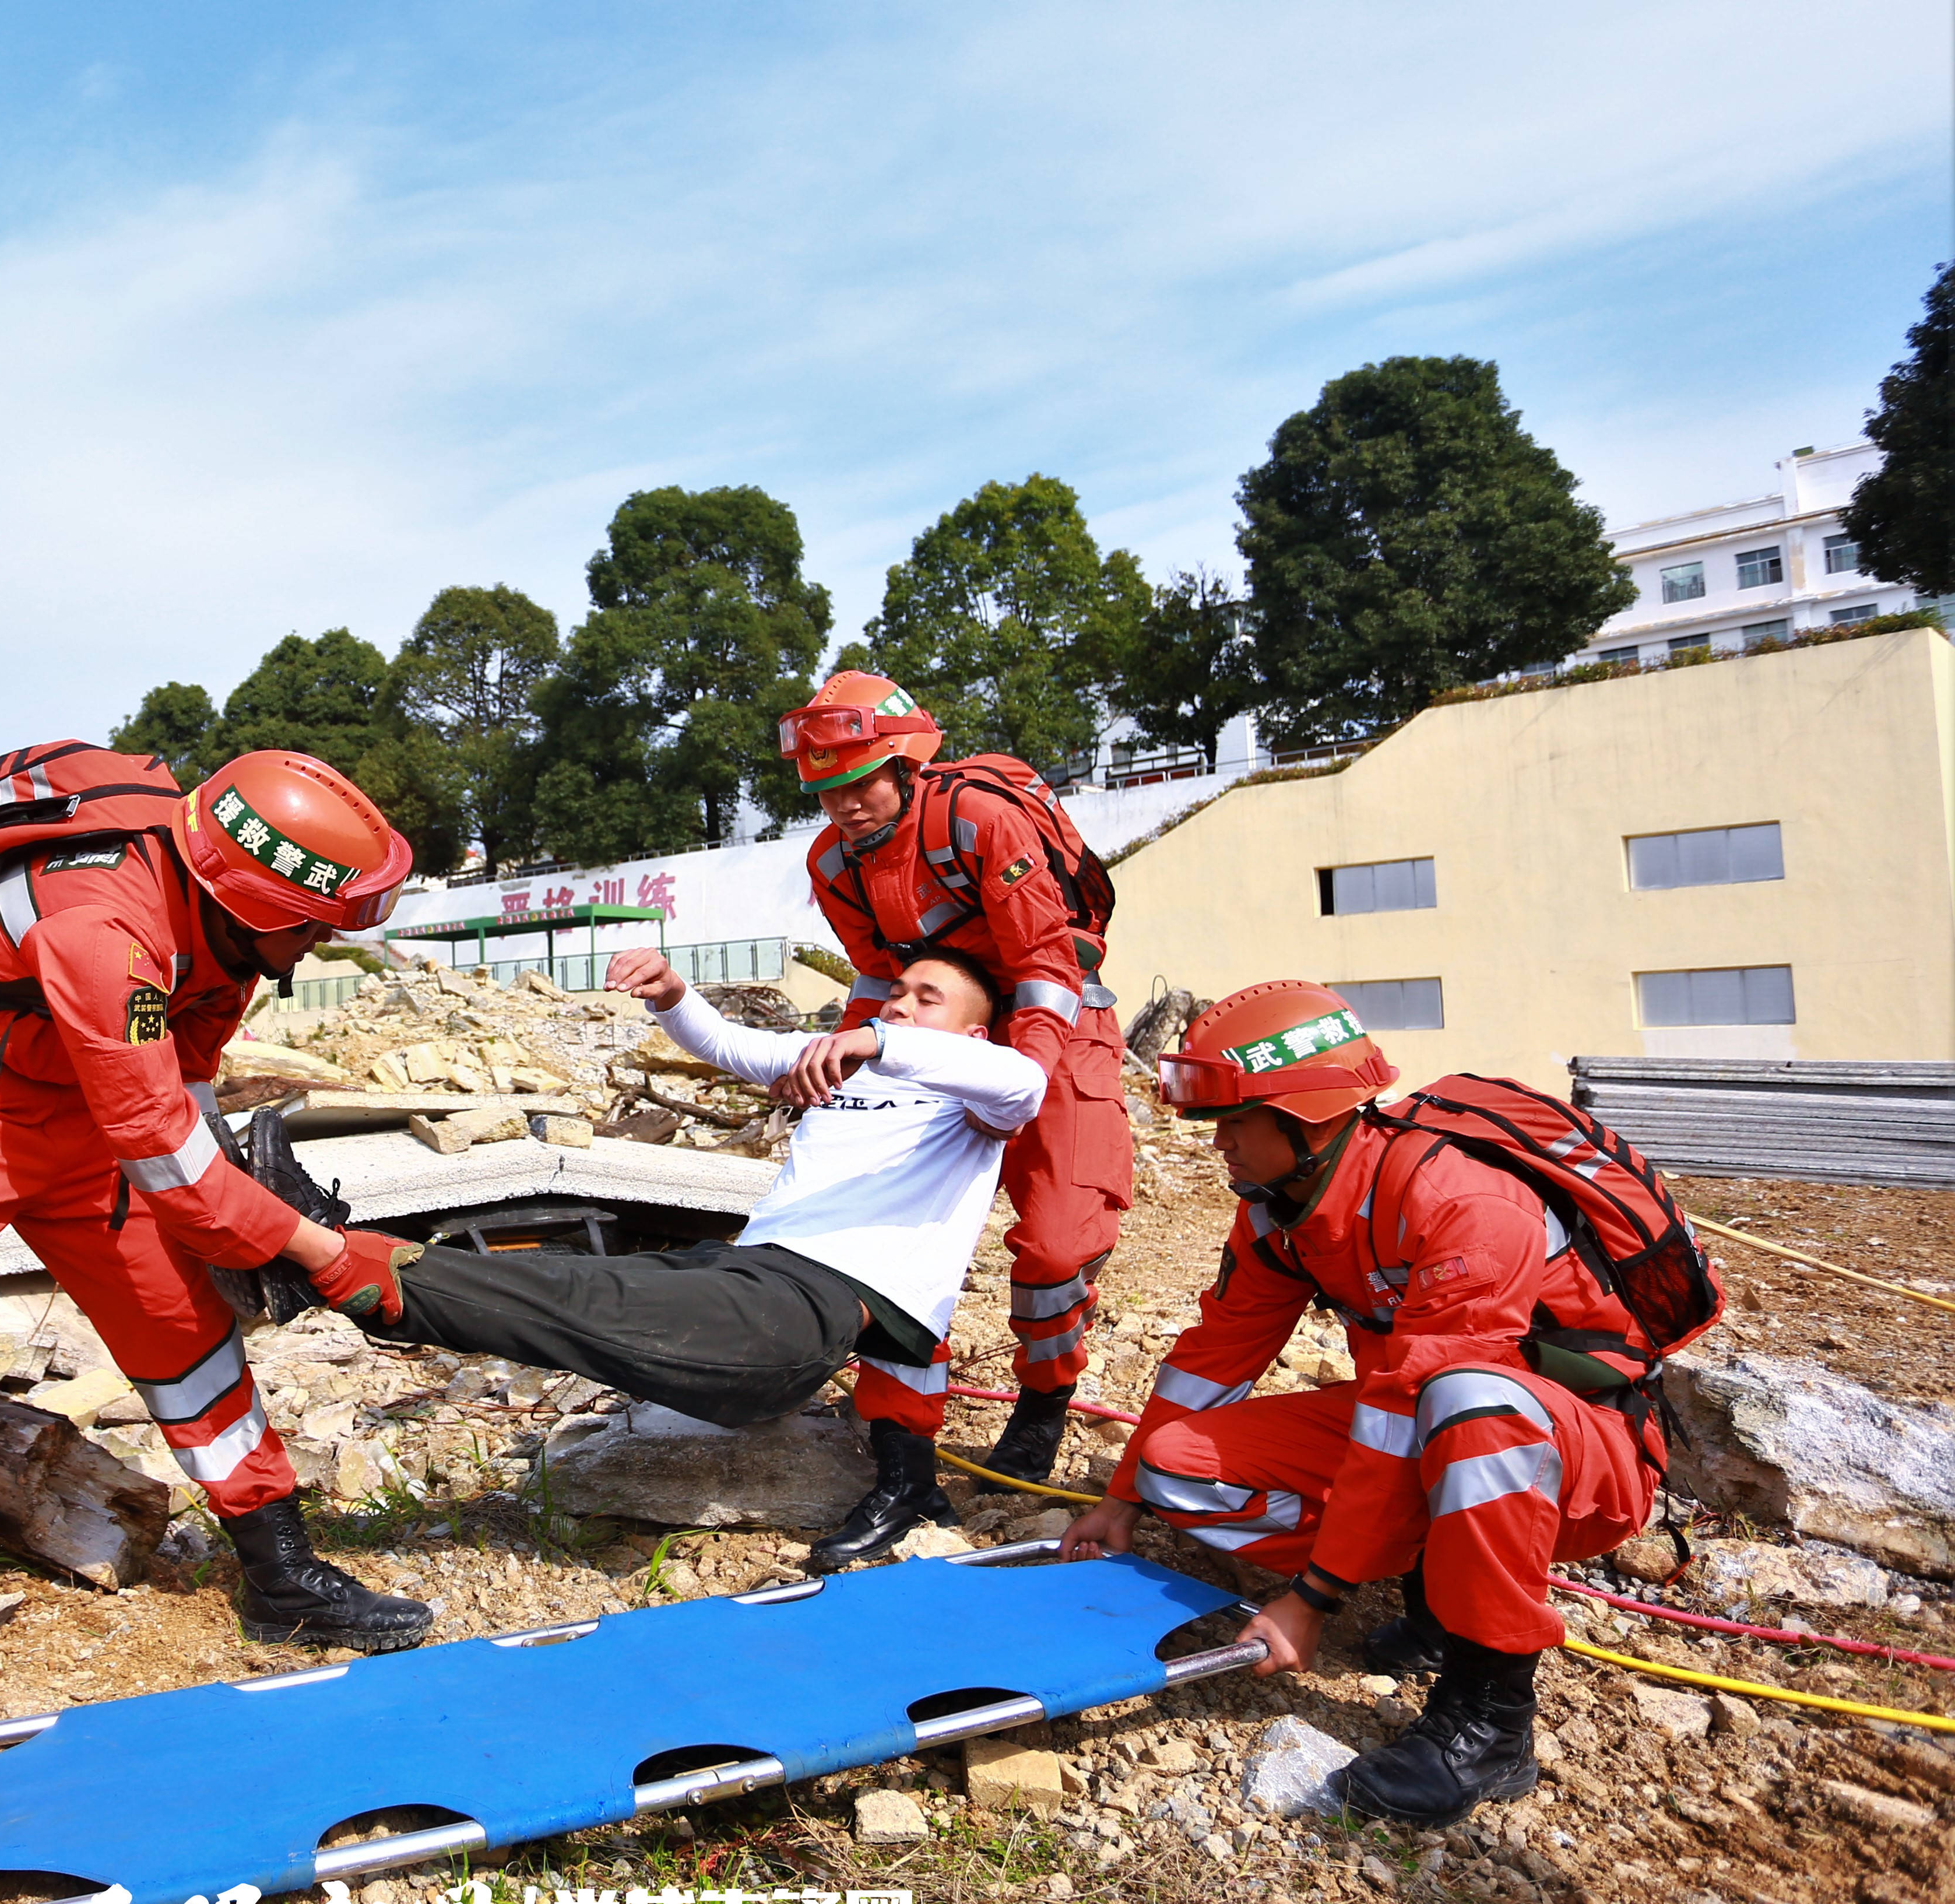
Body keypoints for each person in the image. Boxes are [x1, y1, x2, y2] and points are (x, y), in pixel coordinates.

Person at [0, 748, 433, 1653]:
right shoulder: (104, 926)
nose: (316, 948)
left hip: (84, 1115)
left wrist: (247, 1227)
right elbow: (169, 1165)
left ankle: (281, 1572)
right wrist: (321, 1251)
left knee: (184, 1327)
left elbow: (190, 1091)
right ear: (258, 902)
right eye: (314, 930)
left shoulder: (231, 930)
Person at [1055, 982, 1666, 1828]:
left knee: (1469, 1402)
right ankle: (1435, 1577)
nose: (1219, 1143)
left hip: (1578, 1452)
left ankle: (1491, 1717)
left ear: (1304, 1119)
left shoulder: (1464, 1202)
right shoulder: (1283, 1211)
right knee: (1177, 1466)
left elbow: (1414, 1404)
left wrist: (1311, 1597)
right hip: (1425, 1429)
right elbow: (1214, 1358)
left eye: (1235, 1121)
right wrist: (1121, 1499)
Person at [287, 943, 1043, 1569]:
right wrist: (675, 992)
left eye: (928, 998)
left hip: (806, 1313)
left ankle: (336, 1256)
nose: (901, 1005)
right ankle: (332, 1251)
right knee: (583, 1280)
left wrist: (876, 1038)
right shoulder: (851, 1070)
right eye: (899, 993)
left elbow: (1025, 1079)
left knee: (582, 1302)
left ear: (972, 1036)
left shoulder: (971, 1101)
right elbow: (728, 1044)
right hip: (746, 1272)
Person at [783, 670, 1132, 1488]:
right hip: (938, 1033)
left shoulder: (979, 821)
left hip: (1056, 1028)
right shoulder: (835, 861)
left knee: (1055, 1245)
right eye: (826, 789)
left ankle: (1046, 1400)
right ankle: (902, 1451)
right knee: (892, 1237)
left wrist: (1019, 1082)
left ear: (905, 763)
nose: (844, 804)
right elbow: (877, 977)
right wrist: (848, 1063)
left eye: (859, 781)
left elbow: (1048, 969)